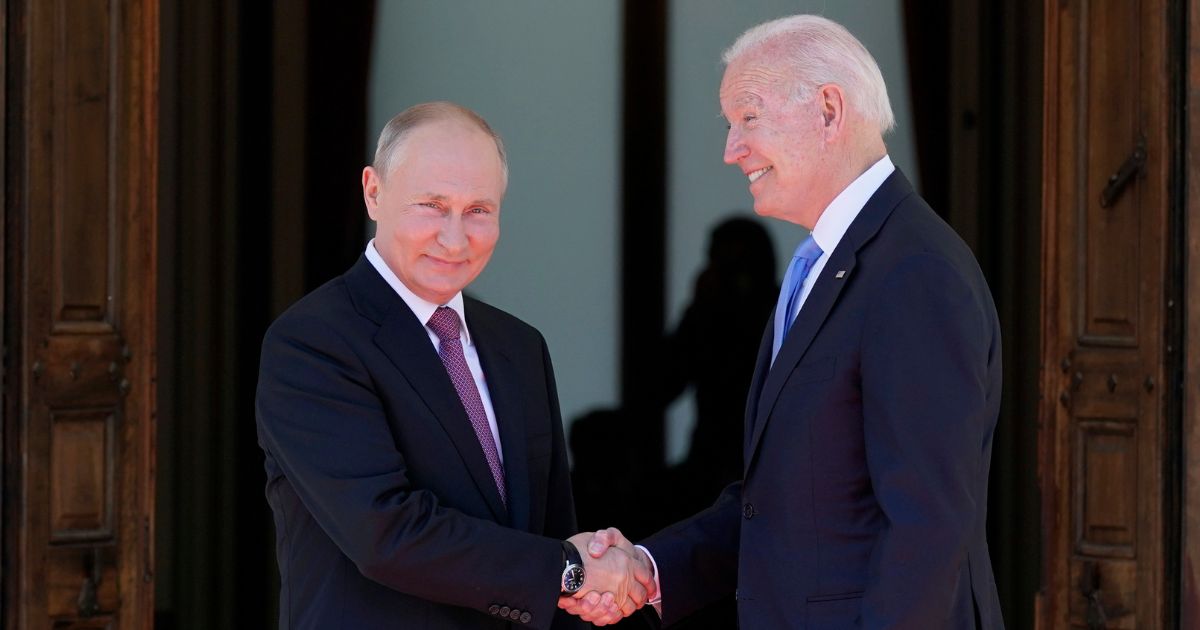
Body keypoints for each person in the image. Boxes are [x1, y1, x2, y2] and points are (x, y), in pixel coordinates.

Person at [565, 15, 1005, 629]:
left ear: (829, 110)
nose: (730, 149)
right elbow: (777, 504)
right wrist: (648, 567)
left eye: (748, 118)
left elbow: (927, 529)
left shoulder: (914, 273)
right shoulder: (823, 265)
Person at [256, 102, 651, 629]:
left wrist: (585, 577)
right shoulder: (313, 343)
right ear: (373, 192)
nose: (455, 237)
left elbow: (553, 529)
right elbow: (385, 535)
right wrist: (571, 570)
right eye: (432, 206)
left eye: (479, 210)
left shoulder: (519, 346)